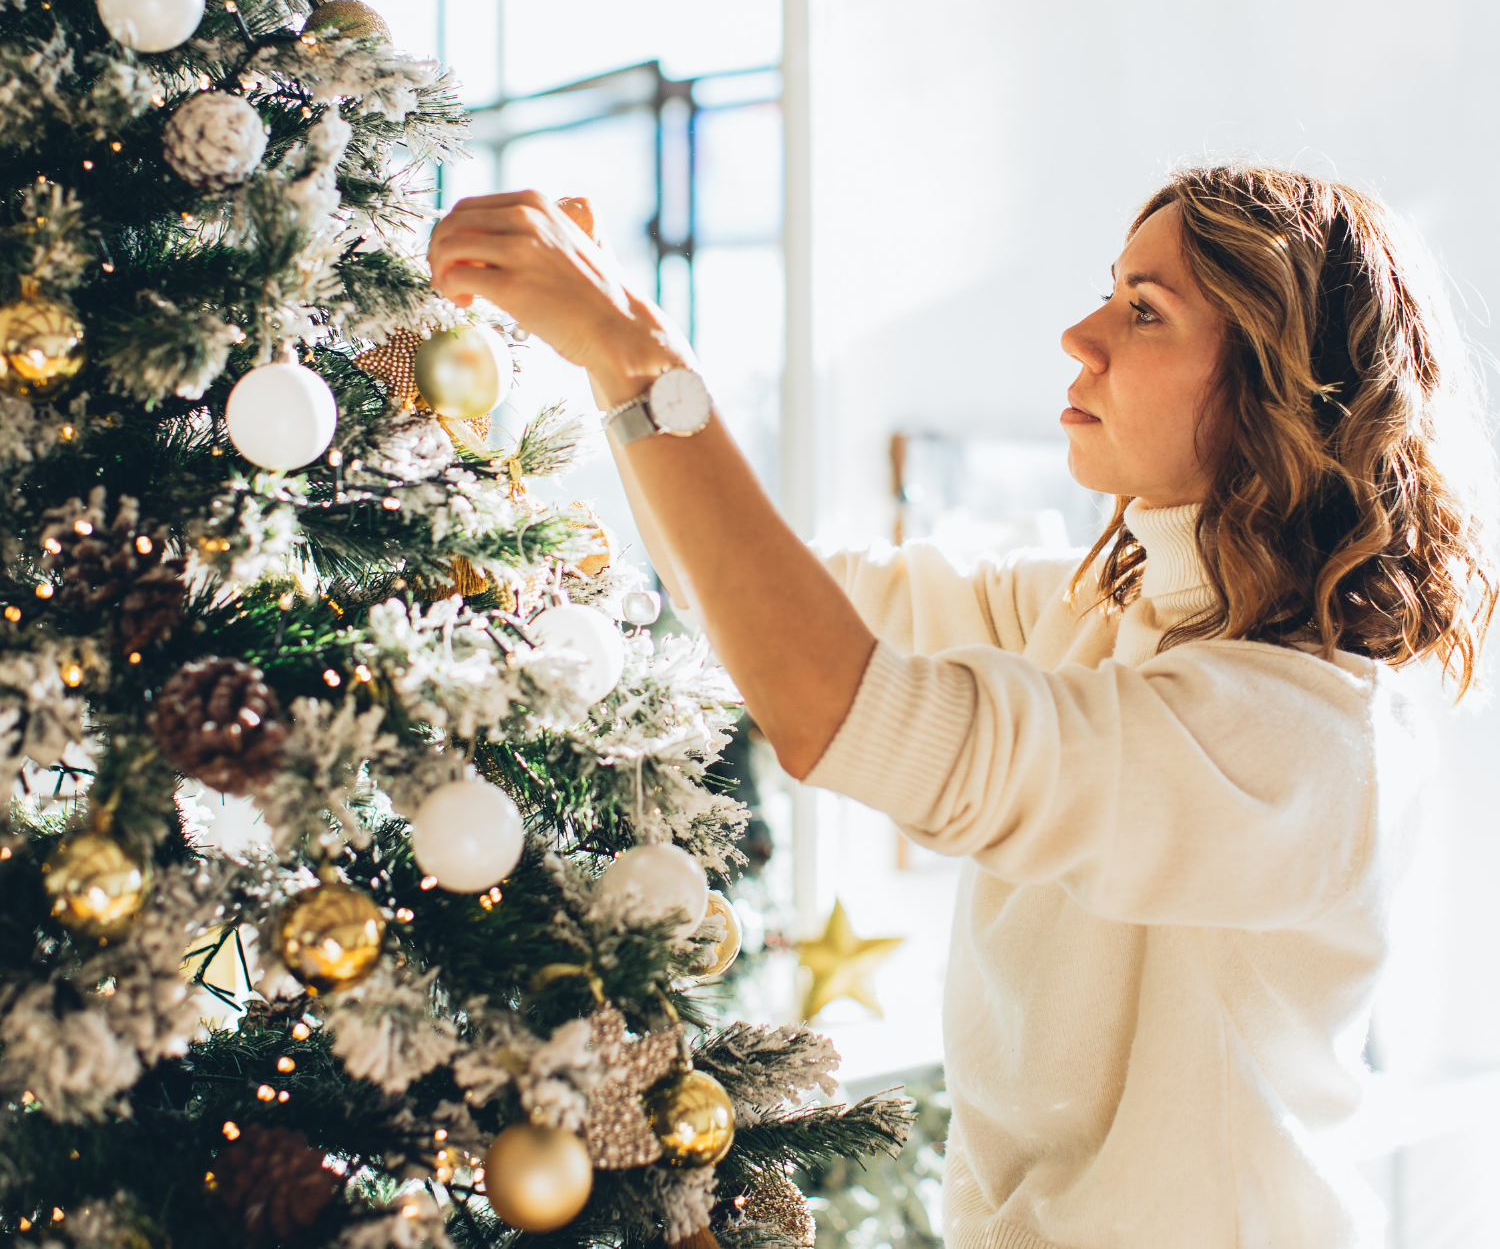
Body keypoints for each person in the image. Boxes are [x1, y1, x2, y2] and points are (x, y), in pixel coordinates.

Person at [427, 163, 1498, 1249]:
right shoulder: (1091, 607)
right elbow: (758, 602)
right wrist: (619, 374)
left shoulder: (1306, 738)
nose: (1081, 335)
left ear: (1280, 384)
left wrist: (642, 358)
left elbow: (845, 712)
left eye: (1143, 310)